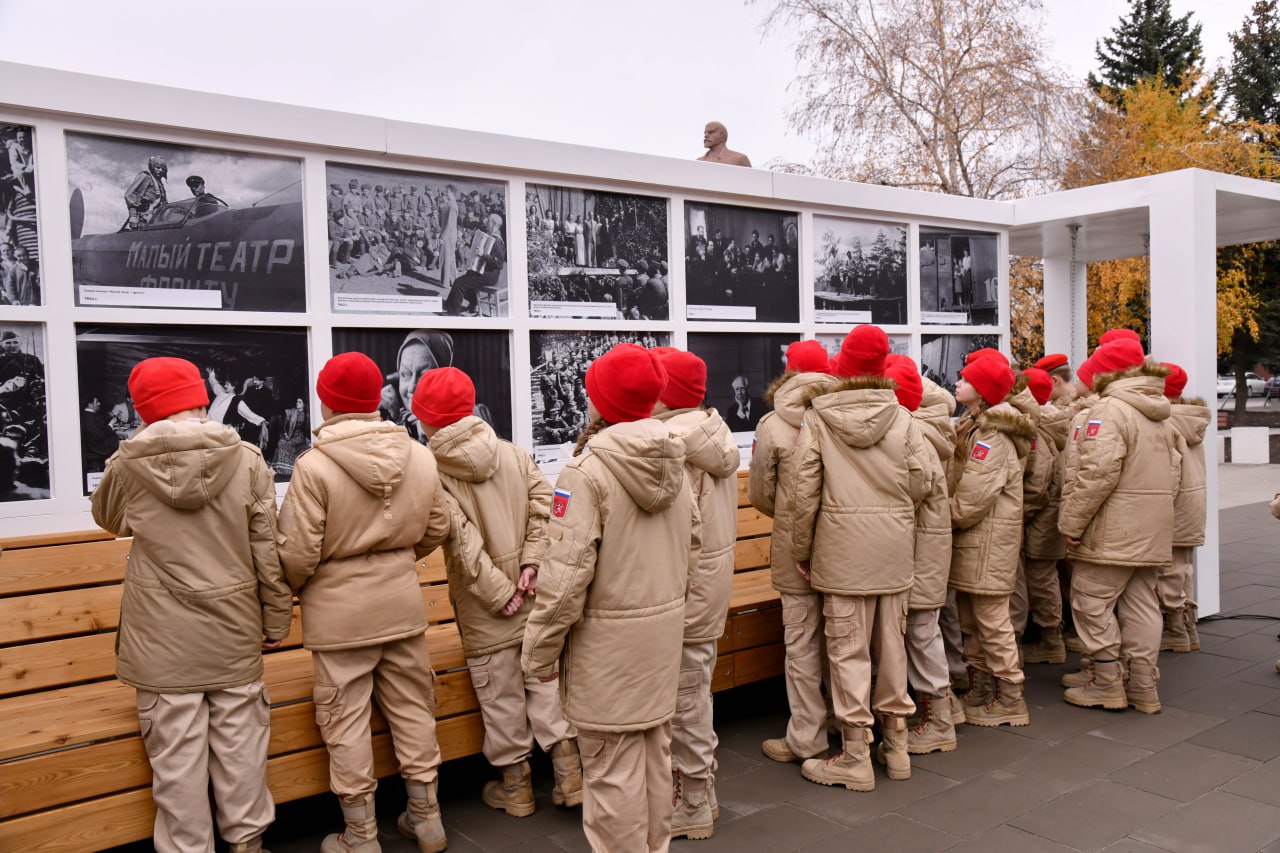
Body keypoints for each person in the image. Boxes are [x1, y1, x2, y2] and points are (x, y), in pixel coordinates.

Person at [90, 357, 293, 853]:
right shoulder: (247, 458)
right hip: (233, 632)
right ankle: (247, 843)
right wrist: (277, 618)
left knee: (175, 764)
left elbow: (111, 520)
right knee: (242, 750)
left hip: (160, 644)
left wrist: (133, 450)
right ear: (201, 399)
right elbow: (267, 549)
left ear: (146, 410)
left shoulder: (130, 463)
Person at [277, 352, 461, 853]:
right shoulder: (419, 455)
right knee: (414, 712)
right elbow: (438, 528)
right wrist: (397, 557)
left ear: (327, 401)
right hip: (401, 605)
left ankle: (359, 835)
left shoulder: (313, 467)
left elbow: (296, 553)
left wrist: (307, 582)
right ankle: (428, 820)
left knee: (345, 722)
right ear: (374, 399)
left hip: (339, 618)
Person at [522, 343, 699, 852]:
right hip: (659, 641)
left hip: (607, 653)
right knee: (653, 763)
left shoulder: (585, 474)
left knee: (612, 776)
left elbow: (563, 580)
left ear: (601, 401)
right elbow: (693, 542)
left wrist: (538, 652)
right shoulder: (675, 458)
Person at [410, 367, 583, 818]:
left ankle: (516, 788)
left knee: (499, 695)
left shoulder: (433, 469)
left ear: (424, 419)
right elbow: (545, 509)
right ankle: (569, 775)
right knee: (544, 682)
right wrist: (532, 565)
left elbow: (461, 541)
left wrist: (498, 592)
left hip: (486, 607)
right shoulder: (512, 453)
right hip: (533, 595)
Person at [790, 325, 936, 791]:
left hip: (840, 551)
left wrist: (801, 550)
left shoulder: (816, 418)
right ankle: (895, 749)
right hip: (893, 552)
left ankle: (855, 755)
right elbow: (922, 482)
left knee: (847, 651)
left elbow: (803, 492)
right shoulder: (903, 417)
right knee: (892, 649)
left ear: (844, 366)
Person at [1058, 340, 1178, 715]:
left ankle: (1107, 682)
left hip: (1114, 529)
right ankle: (1143, 685)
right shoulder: (1159, 411)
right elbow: (1174, 473)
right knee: (1142, 604)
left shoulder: (1109, 411)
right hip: (1150, 527)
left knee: (1090, 601)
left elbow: (1096, 474)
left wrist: (1071, 523)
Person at [651, 350, 739, 841]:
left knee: (685, 701)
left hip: (684, 596)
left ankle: (695, 802)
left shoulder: (676, 446)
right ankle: (700, 790)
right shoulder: (708, 435)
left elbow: (680, 533)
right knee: (693, 693)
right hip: (706, 592)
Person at [752, 341, 834, 766]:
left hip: (791, 550)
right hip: (843, 547)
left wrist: (787, 513)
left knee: (801, 643)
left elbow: (762, 495)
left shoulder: (773, 423)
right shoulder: (842, 413)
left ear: (788, 372)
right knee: (843, 640)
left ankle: (807, 736)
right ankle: (845, 720)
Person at [948, 354, 1034, 728]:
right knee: (973, 620)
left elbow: (972, 497)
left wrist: (942, 516)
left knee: (992, 620)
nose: (956, 384)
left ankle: (1010, 697)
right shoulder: (976, 425)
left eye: (964, 379)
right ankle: (983, 688)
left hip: (986, 543)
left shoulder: (993, 436)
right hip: (976, 543)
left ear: (981, 390)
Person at [884, 354, 961, 755]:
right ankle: (944, 710)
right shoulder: (930, 431)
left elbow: (906, 499)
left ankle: (939, 721)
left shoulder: (913, 440)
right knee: (923, 631)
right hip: (928, 550)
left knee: (920, 632)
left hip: (919, 553)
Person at [1012, 368, 1073, 665]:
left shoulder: (1038, 431)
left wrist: (1016, 515)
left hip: (1039, 520)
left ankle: (1051, 640)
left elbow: (1035, 485)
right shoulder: (1050, 423)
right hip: (1045, 517)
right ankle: (1051, 637)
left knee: (1039, 579)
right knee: (1042, 579)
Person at [1160, 363, 1209, 653]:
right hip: (1192, 505)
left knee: (1169, 571)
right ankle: (1187, 627)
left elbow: (1170, 473)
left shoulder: (1169, 423)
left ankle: (1175, 628)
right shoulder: (1190, 420)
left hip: (1176, 506)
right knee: (1182, 568)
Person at [444, 213, 505, 316]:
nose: (486, 223)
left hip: (489, 276)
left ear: (494, 224)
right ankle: (470, 304)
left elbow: (499, 263)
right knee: (467, 276)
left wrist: (483, 254)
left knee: (459, 283)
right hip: (486, 273)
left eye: (489, 221)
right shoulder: (493, 238)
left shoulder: (497, 241)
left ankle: (453, 313)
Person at [124, 155, 168, 229]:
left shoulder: (160, 184)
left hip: (157, 219)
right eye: (157, 167)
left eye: (162, 169)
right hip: (145, 219)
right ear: (152, 167)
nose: (160, 170)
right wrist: (133, 216)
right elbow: (130, 194)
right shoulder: (145, 176)